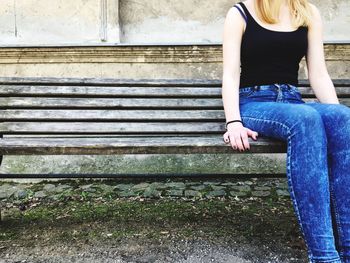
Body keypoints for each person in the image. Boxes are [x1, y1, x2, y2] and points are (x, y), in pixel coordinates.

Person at [221, 0, 350, 262]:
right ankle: (324, 256)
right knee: (305, 119)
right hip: (254, 103)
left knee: (342, 116)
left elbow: (319, 73)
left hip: (292, 102)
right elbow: (231, 74)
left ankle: (348, 249)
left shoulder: (307, 12)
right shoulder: (240, 13)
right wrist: (233, 122)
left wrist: (336, 121)